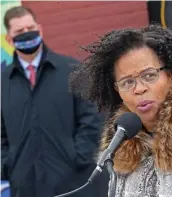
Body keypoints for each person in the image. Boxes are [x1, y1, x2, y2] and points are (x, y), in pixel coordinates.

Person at [69, 24, 172, 196]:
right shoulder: (120, 150)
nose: (139, 89)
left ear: (170, 75)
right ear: (117, 91)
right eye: (127, 82)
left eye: (149, 75)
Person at [1, 6, 105, 197]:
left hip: (74, 184)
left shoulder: (72, 70)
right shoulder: (3, 82)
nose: (27, 34)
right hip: (25, 187)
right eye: (19, 32)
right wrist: (9, 166)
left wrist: (77, 157)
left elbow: (92, 119)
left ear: (40, 29)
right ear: (9, 39)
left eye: (30, 28)